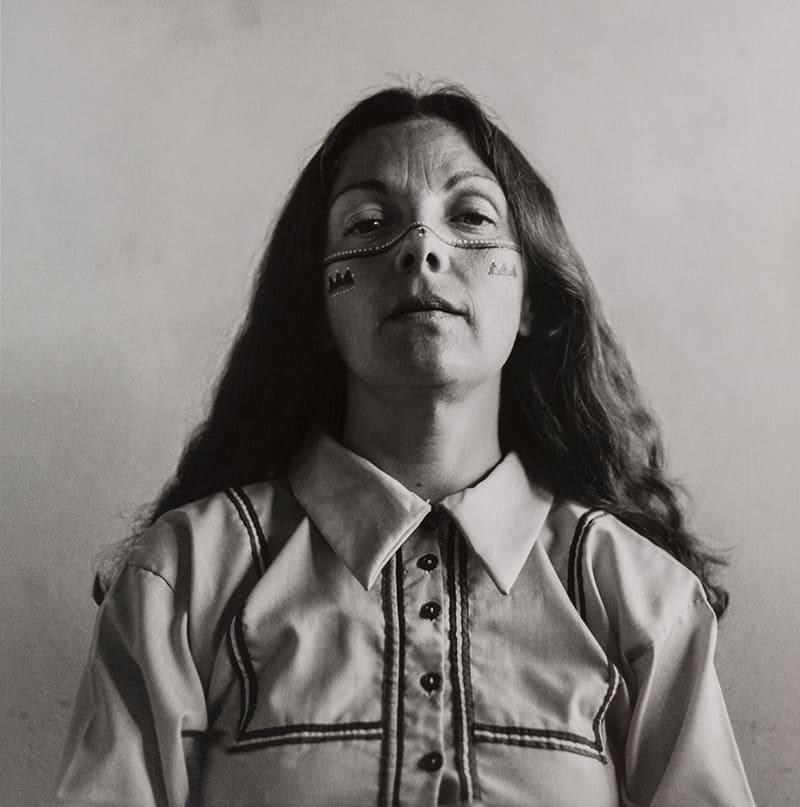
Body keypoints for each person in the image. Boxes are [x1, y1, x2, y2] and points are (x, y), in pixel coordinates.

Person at [55, 84, 755, 807]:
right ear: (319, 307)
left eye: (470, 215)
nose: (421, 247)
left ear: (534, 301)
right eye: (369, 221)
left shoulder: (642, 600)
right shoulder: (183, 581)